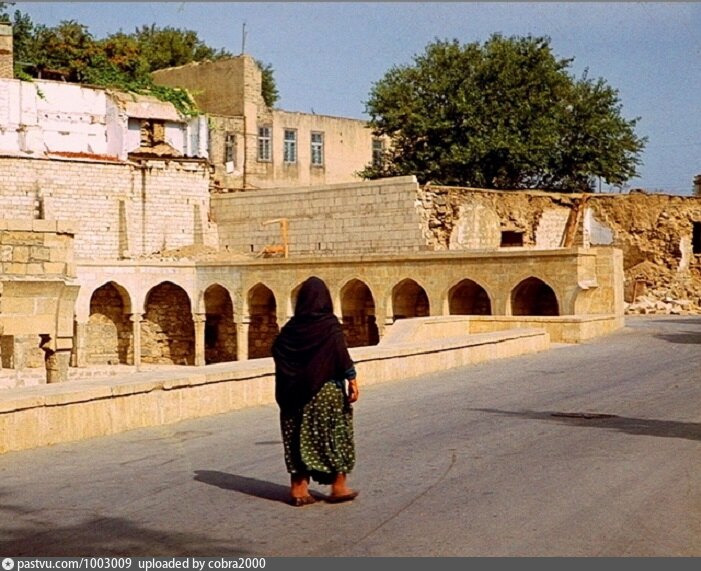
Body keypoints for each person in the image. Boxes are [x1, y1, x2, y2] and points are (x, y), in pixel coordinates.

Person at [272, 276, 360, 507]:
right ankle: (338, 487)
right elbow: (340, 354)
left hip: (293, 394)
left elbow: (278, 350)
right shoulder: (329, 326)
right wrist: (352, 380)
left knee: (296, 438)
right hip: (325, 392)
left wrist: (297, 375)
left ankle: (298, 489)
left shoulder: (290, 330)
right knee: (334, 436)